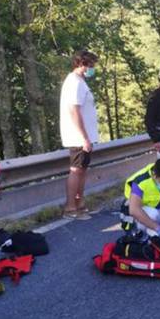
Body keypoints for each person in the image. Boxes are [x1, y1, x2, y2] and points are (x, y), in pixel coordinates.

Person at [59, 50, 99, 220]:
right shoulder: (74, 82)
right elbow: (74, 110)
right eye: (91, 65)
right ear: (82, 64)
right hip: (78, 137)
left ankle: (80, 204)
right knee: (76, 170)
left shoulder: (80, 82)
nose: (92, 68)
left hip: (85, 136)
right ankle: (70, 208)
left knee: (82, 170)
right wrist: (84, 137)